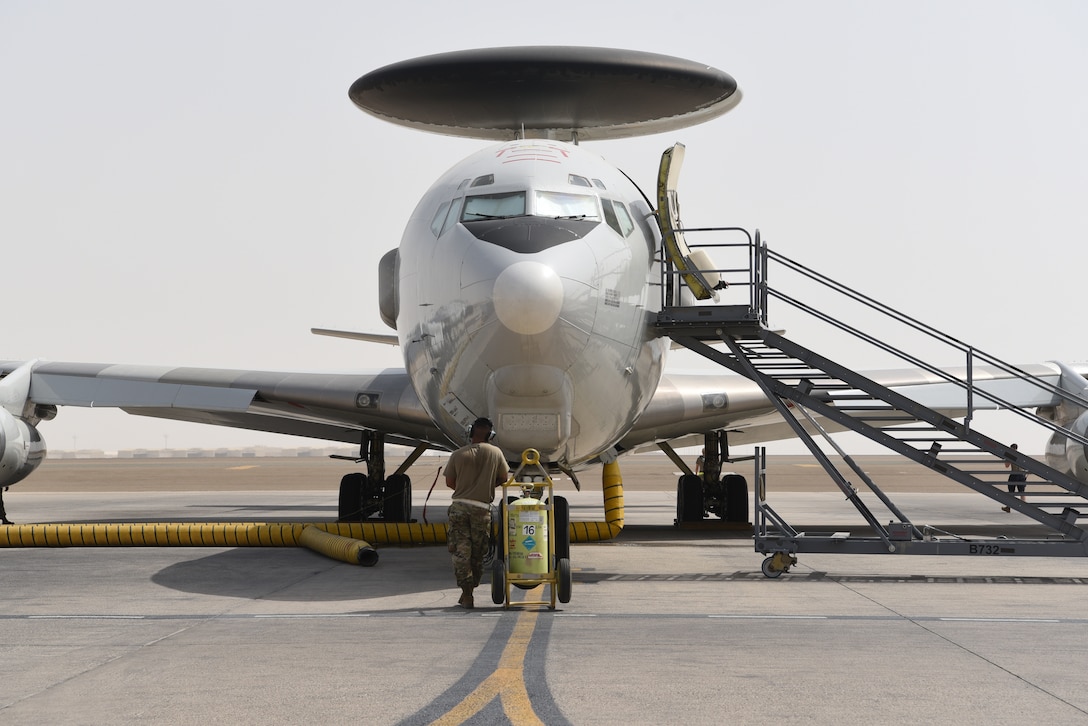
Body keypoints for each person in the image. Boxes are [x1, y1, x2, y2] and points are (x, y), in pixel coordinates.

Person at [445, 417, 508, 609]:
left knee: (461, 552)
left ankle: (467, 593)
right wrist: (486, 486)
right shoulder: (496, 453)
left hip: (460, 507)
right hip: (482, 509)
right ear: (490, 435)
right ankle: (470, 589)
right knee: (478, 553)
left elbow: (449, 483)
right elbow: (504, 478)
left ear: (471, 431)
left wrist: (465, 489)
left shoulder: (457, 454)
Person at [1003, 443, 1027, 512]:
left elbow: (1007, 465)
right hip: (1022, 475)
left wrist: (1006, 458)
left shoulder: (1010, 455)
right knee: (1022, 492)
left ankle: (1008, 507)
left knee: (1011, 492)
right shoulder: (1021, 456)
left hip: (1014, 474)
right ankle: (1024, 508)